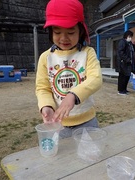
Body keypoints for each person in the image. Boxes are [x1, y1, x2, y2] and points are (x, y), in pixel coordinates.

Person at [36, 0, 102, 138]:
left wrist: (73, 95)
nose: (64, 38)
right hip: (58, 123)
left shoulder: (87, 53)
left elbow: (95, 79)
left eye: (71, 32)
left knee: (90, 157)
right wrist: (46, 106)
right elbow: (43, 88)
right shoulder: (45, 58)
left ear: (81, 31)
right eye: (57, 32)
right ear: (50, 32)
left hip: (87, 121)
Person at [116, 30, 135, 95]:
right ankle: (121, 90)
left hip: (128, 63)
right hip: (123, 63)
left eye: (131, 36)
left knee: (127, 76)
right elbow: (120, 52)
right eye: (129, 36)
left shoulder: (129, 43)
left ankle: (124, 89)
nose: (130, 38)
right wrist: (127, 59)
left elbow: (134, 50)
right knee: (122, 77)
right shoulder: (122, 42)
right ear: (126, 36)